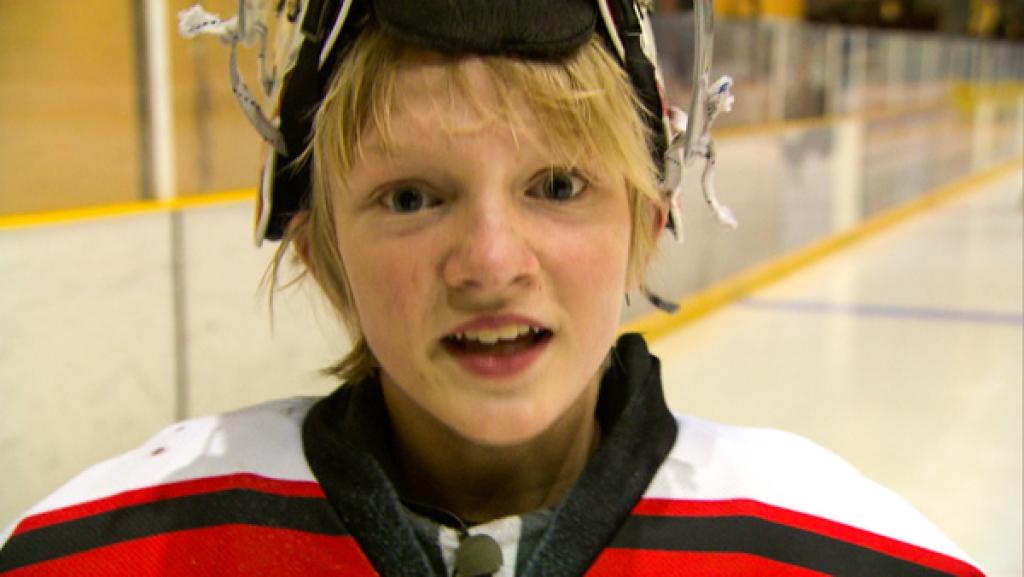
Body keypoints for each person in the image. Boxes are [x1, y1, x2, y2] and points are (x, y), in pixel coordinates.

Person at [0, 1, 984, 575]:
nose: (491, 261)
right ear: (317, 248)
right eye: (412, 195)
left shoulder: (841, 553)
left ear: (646, 223)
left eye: (557, 185)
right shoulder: (101, 551)